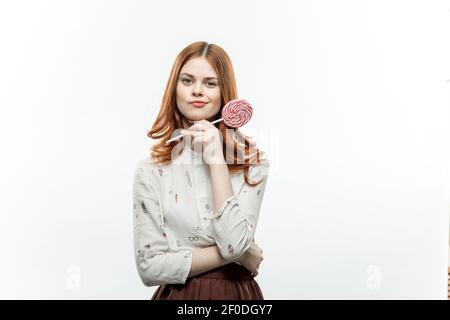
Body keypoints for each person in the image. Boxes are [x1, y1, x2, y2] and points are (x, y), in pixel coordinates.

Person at [132, 41, 270, 300]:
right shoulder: (150, 171)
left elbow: (234, 240)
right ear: (174, 89)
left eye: (210, 83)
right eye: (187, 81)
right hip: (180, 296)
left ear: (224, 92)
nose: (197, 91)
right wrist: (243, 254)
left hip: (235, 297)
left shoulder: (253, 167)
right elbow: (149, 267)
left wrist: (216, 157)